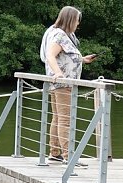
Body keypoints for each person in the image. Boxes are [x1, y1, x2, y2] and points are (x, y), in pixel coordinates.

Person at [40, 6, 97, 165]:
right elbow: (50, 55)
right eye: (77, 20)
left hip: (58, 84)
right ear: (70, 20)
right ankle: (69, 157)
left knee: (58, 118)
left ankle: (55, 153)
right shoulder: (60, 35)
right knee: (66, 120)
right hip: (63, 84)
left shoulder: (59, 33)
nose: (78, 24)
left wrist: (83, 59)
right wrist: (58, 73)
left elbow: (64, 56)